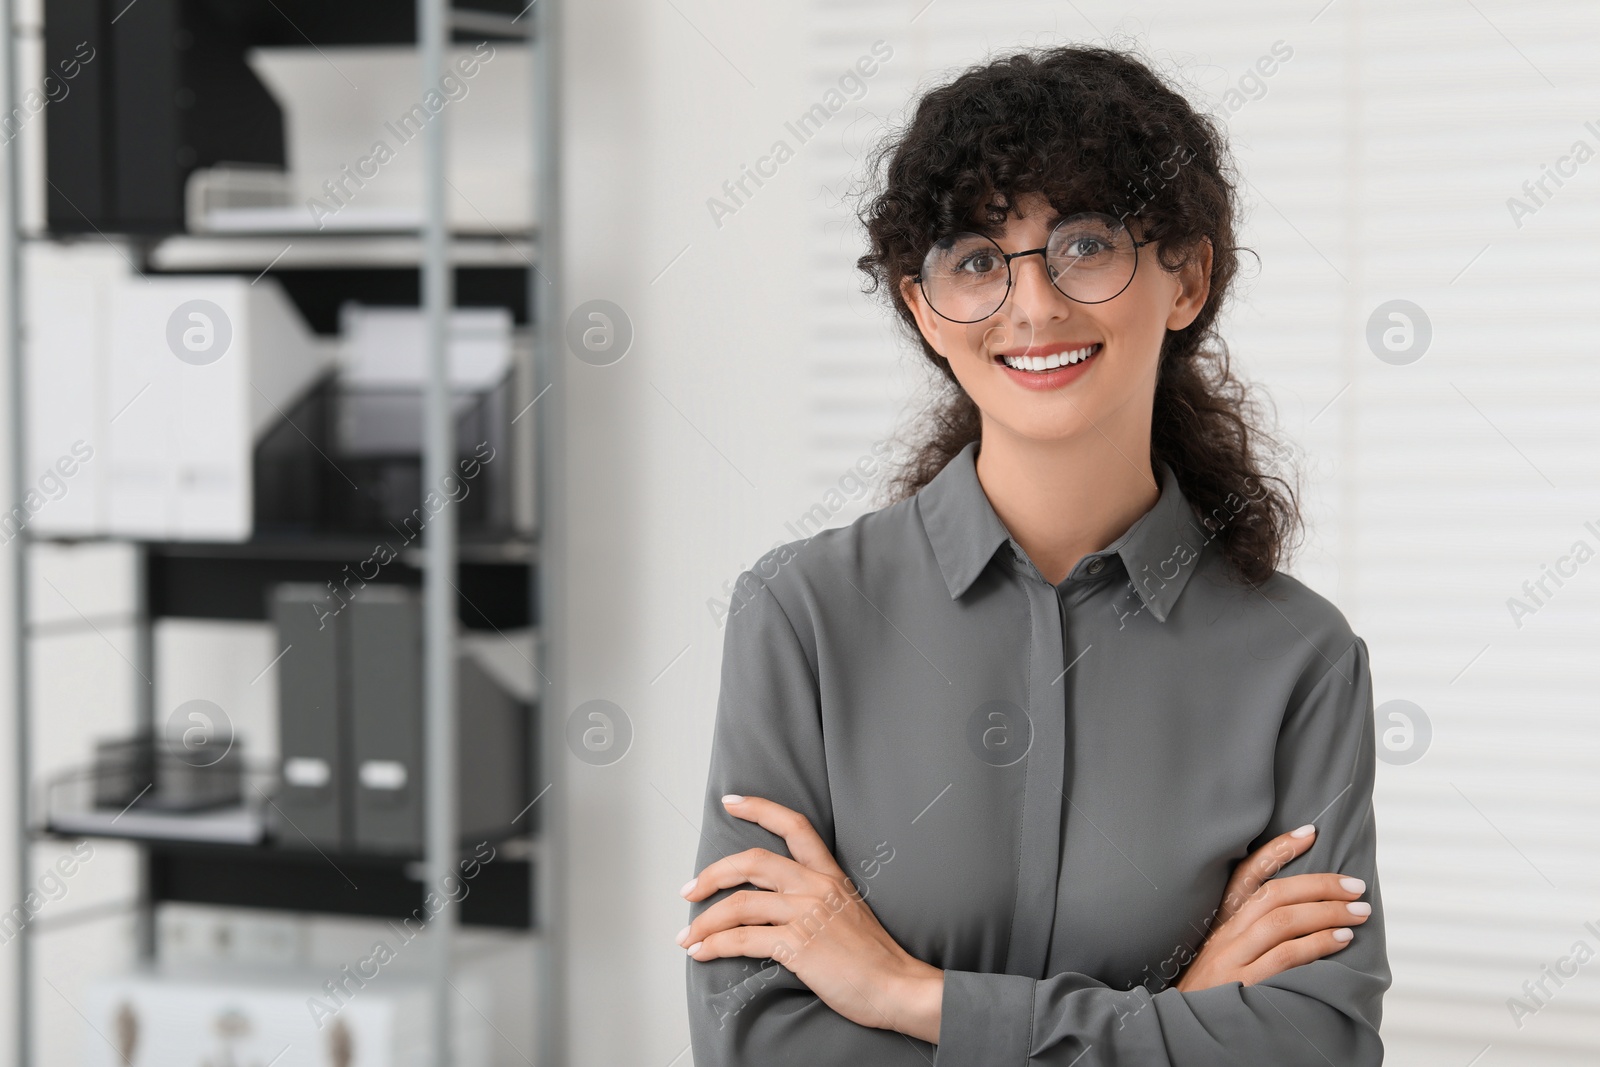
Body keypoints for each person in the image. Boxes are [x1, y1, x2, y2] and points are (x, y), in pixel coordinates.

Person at [680, 43, 1390, 1064]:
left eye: (1085, 244)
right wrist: (1181, 1012)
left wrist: (905, 992)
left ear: (1184, 275)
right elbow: (755, 1040)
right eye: (974, 259)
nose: (1032, 304)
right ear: (924, 309)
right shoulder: (801, 615)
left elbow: (1312, 1043)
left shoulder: (1300, 660)